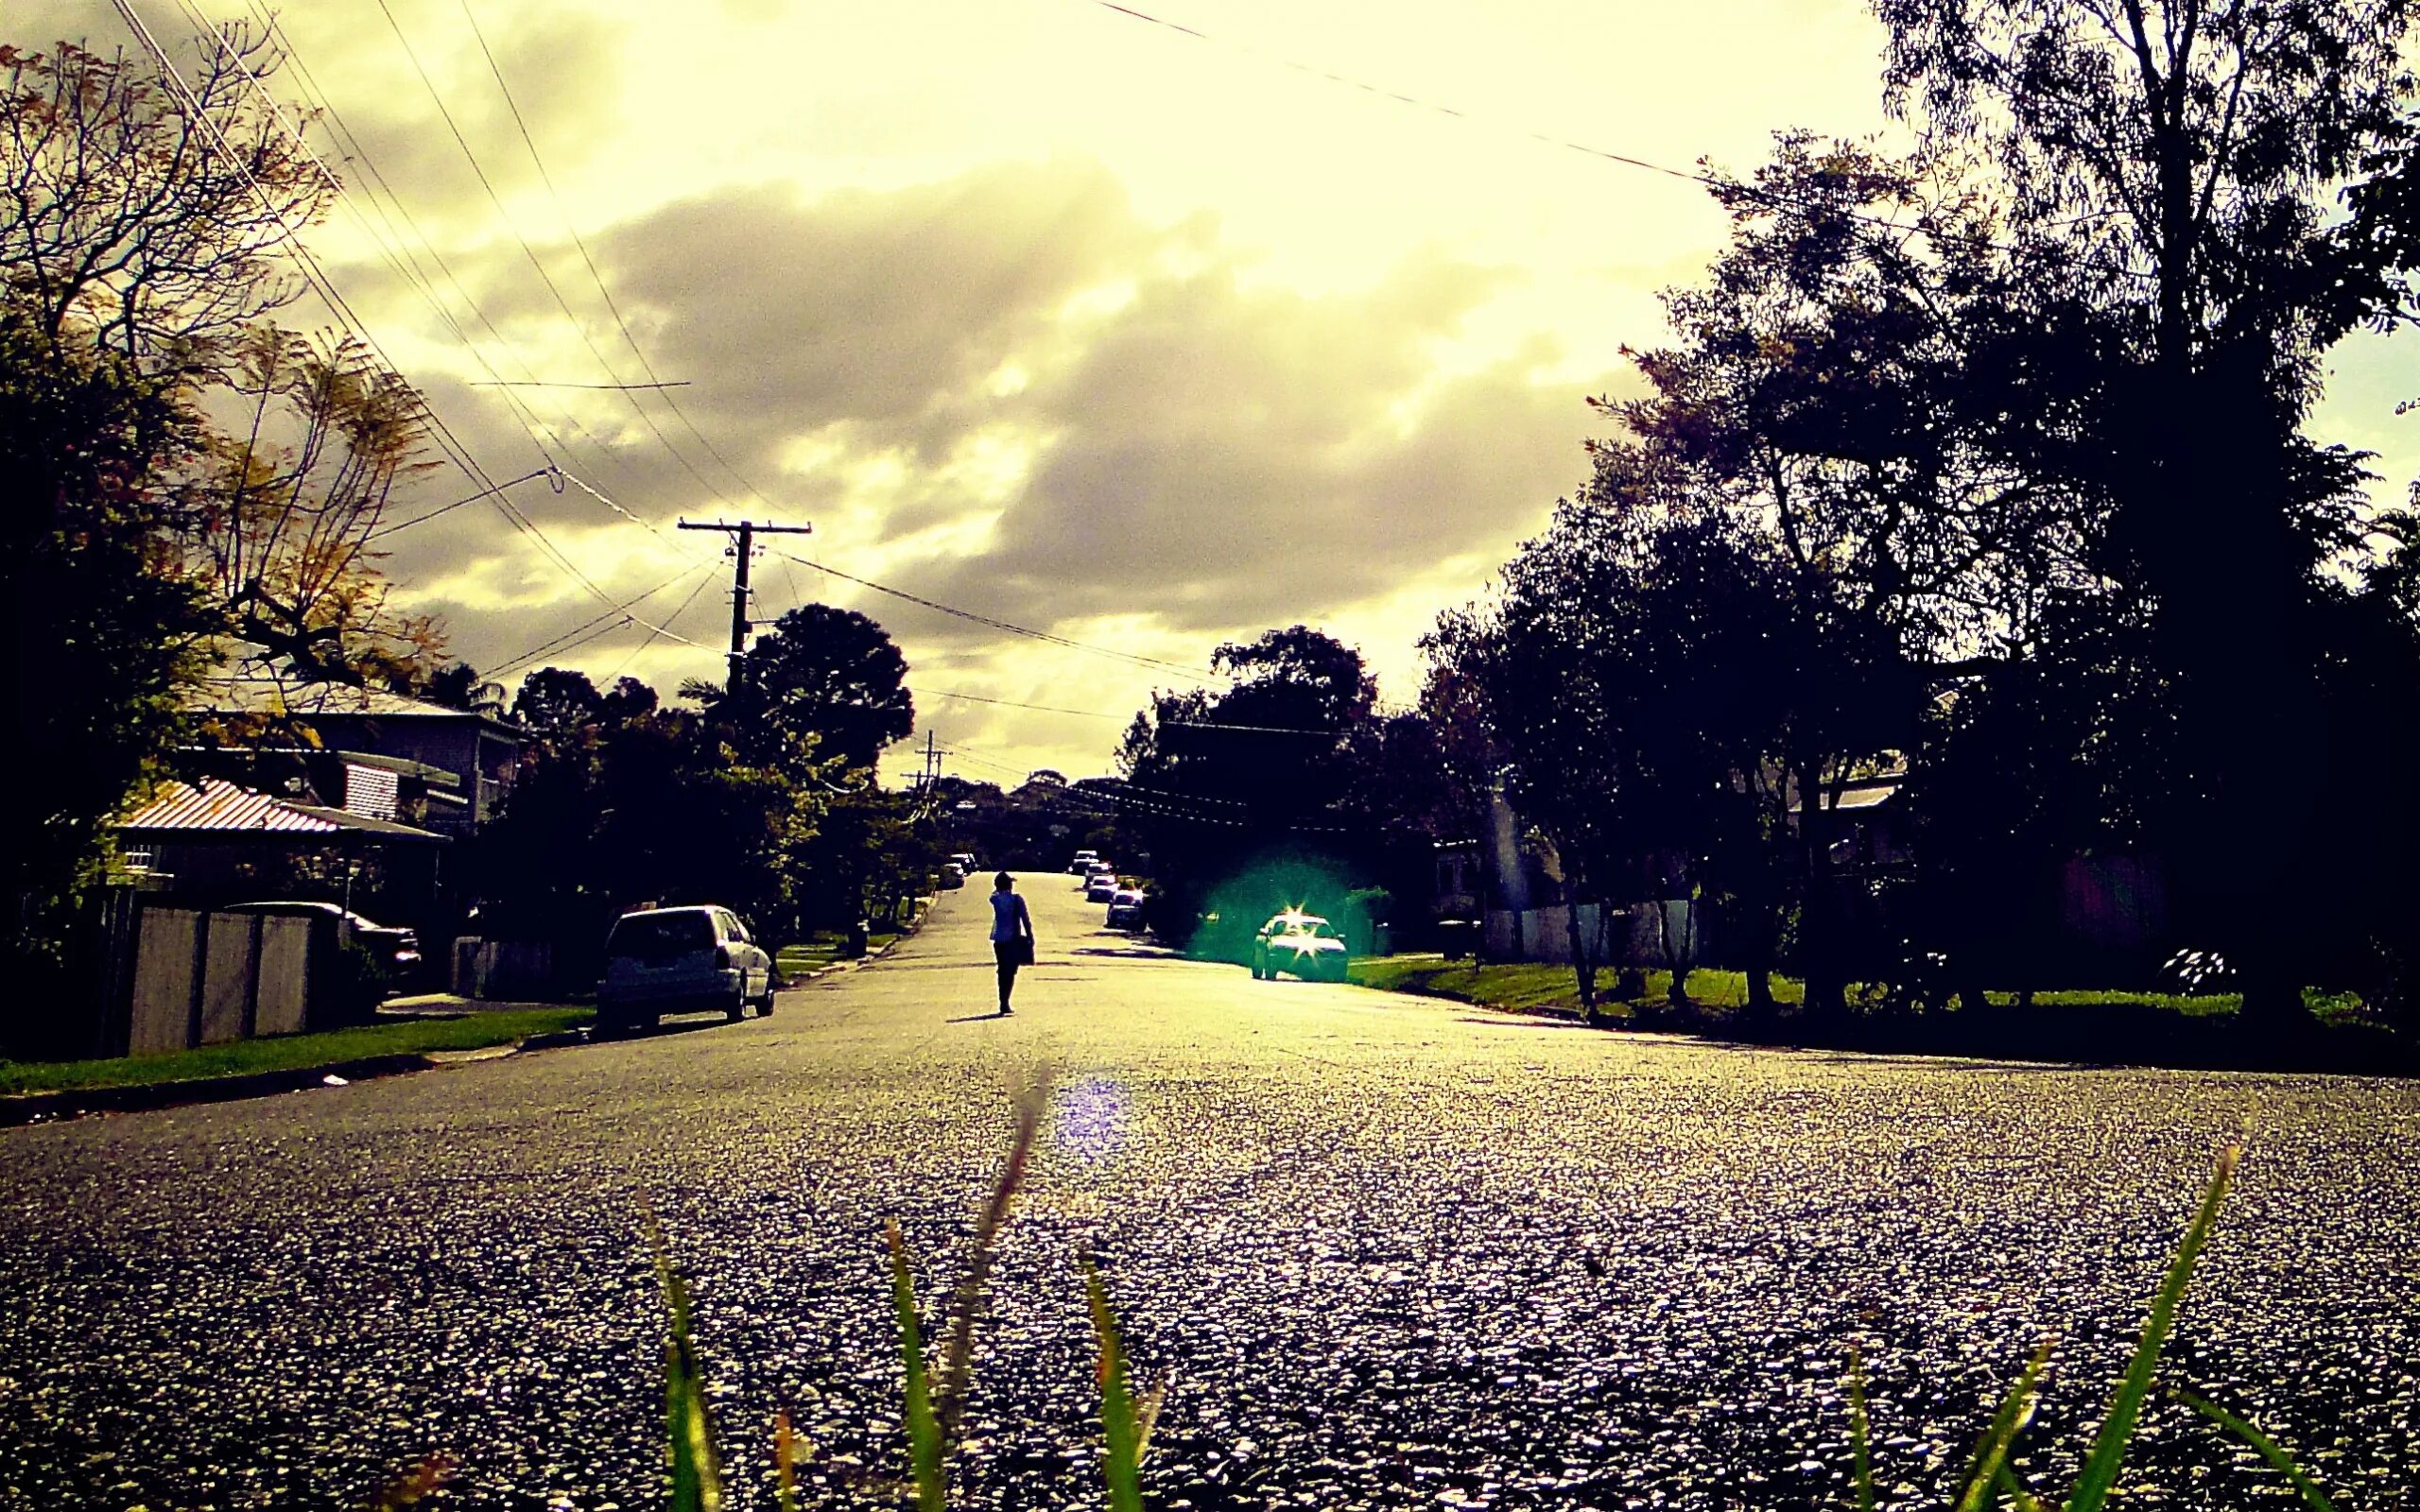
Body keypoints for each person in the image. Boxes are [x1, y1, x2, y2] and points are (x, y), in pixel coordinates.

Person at [988, 871, 1034, 1015]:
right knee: (1010, 972)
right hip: (1013, 940)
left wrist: (1000, 886)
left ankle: (1003, 1002)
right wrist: (1030, 936)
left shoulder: (995, 899)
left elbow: (994, 893)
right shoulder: (1017, 900)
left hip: (998, 939)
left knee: (1002, 970)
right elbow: (1025, 919)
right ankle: (1005, 1002)